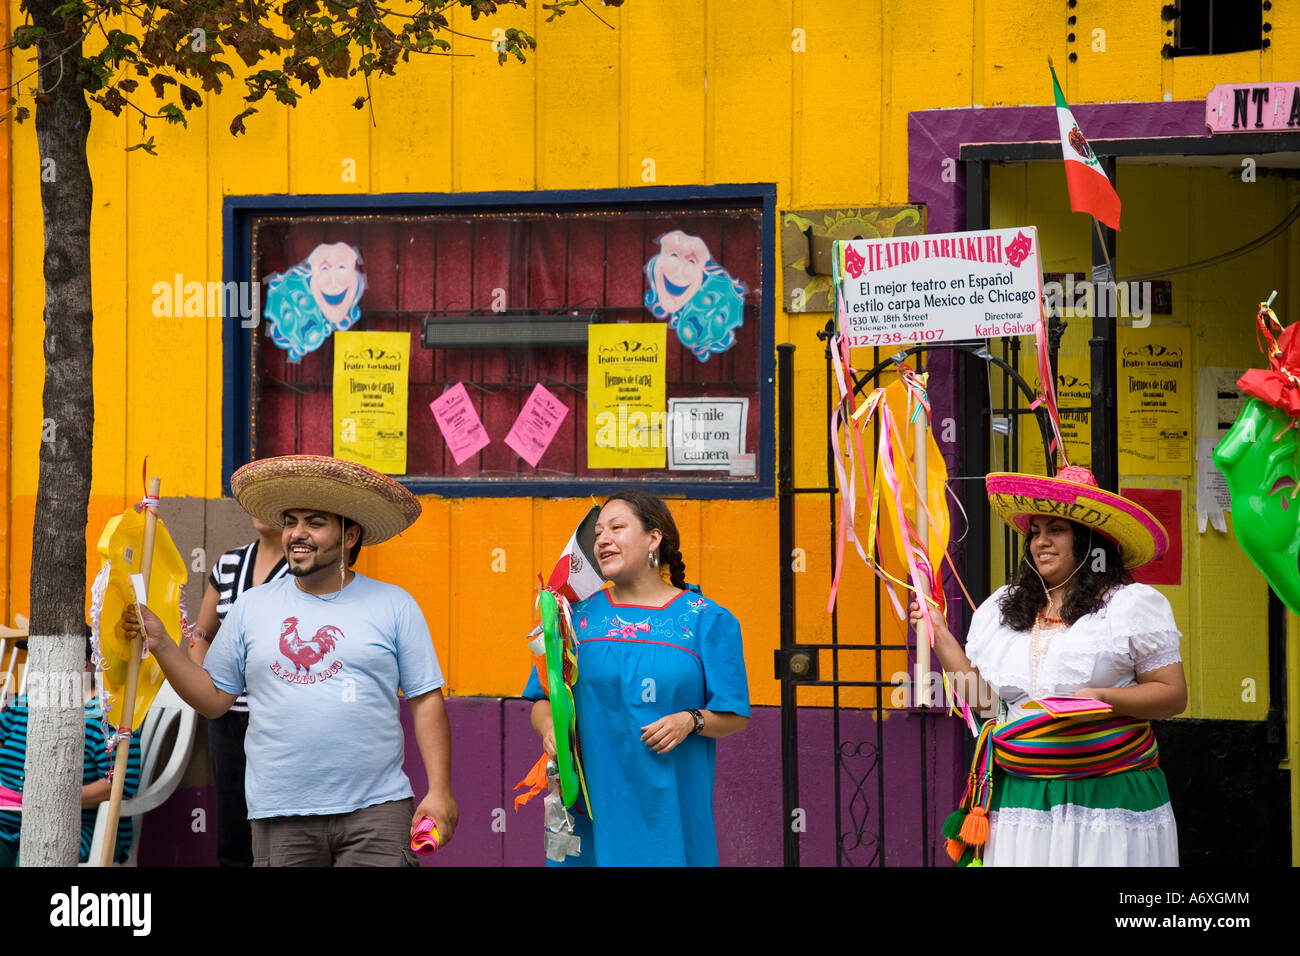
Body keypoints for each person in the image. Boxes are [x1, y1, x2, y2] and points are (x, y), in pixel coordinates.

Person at [125, 454, 457, 867]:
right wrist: (161, 644)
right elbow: (212, 698)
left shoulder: (394, 605)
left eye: (314, 522)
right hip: (280, 813)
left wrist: (439, 788)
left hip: (377, 810)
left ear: (350, 535)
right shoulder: (251, 607)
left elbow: (426, 699)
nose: (297, 533)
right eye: (291, 522)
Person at [915, 465, 1186, 866]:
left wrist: (1100, 697)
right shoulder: (1003, 609)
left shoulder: (1129, 607)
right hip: (1022, 798)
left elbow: (1172, 696)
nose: (1041, 541)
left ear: (1088, 539)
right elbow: (988, 706)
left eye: (1056, 530)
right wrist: (940, 636)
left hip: (1105, 795)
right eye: (1035, 531)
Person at [524, 491, 749, 866]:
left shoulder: (706, 619)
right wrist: (550, 728)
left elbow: (735, 715)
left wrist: (689, 721)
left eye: (617, 528)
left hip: (670, 814)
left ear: (653, 538)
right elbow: (542, 699)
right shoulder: (570, 618)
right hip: (592, 813)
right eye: (598, 533)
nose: (602, 540)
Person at [189, 515, 289, 867]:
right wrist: (207, 680)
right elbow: (200, 634)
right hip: (228, 717)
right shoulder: (230, 563)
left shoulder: (303, 567)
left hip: (282, 720)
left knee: (282, 827)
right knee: (233, 826)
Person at [0, 634, 142, 865]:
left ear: (82, 663)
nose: (35, 665)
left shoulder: (106, 718)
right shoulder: (26, 703)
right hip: (8, 819)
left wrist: (45, 801)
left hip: (76, 826)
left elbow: (116, 785)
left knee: (34, 855)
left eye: (45, 656)